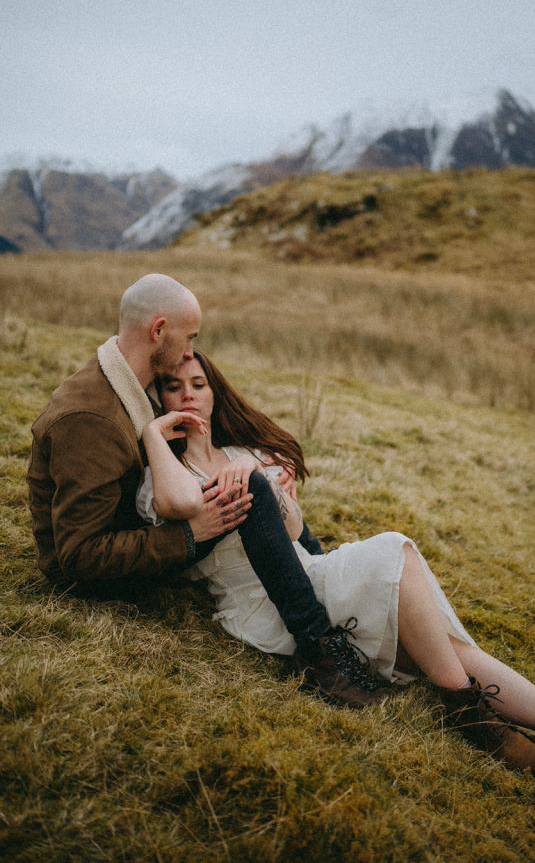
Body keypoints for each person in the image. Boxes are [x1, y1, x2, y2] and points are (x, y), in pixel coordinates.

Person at [139, 350, 535, 787]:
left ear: (215, 390)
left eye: (198, 383)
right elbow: (177, 504)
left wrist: (279, 491)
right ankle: (474, 719)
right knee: (396, 551)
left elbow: (292, 538)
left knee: (446, 646)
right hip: (264, 606)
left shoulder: (246, 454)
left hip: (310, 576)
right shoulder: (166, 471)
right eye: (173, 386)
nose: (189, 395)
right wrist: (153, 437)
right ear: (158, 399)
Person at [26, 273, 384, 707]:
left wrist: (271, 462)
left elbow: (225, 427)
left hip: (147, 531)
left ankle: (327, 582)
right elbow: (78, 558)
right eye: (189, 337)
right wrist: (190, 534)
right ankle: (320, 652)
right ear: (158, 331)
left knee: (246, 481)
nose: (190, 352)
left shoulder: (136, 383)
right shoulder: (92, 418)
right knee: (241, 493)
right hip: (97, 580)